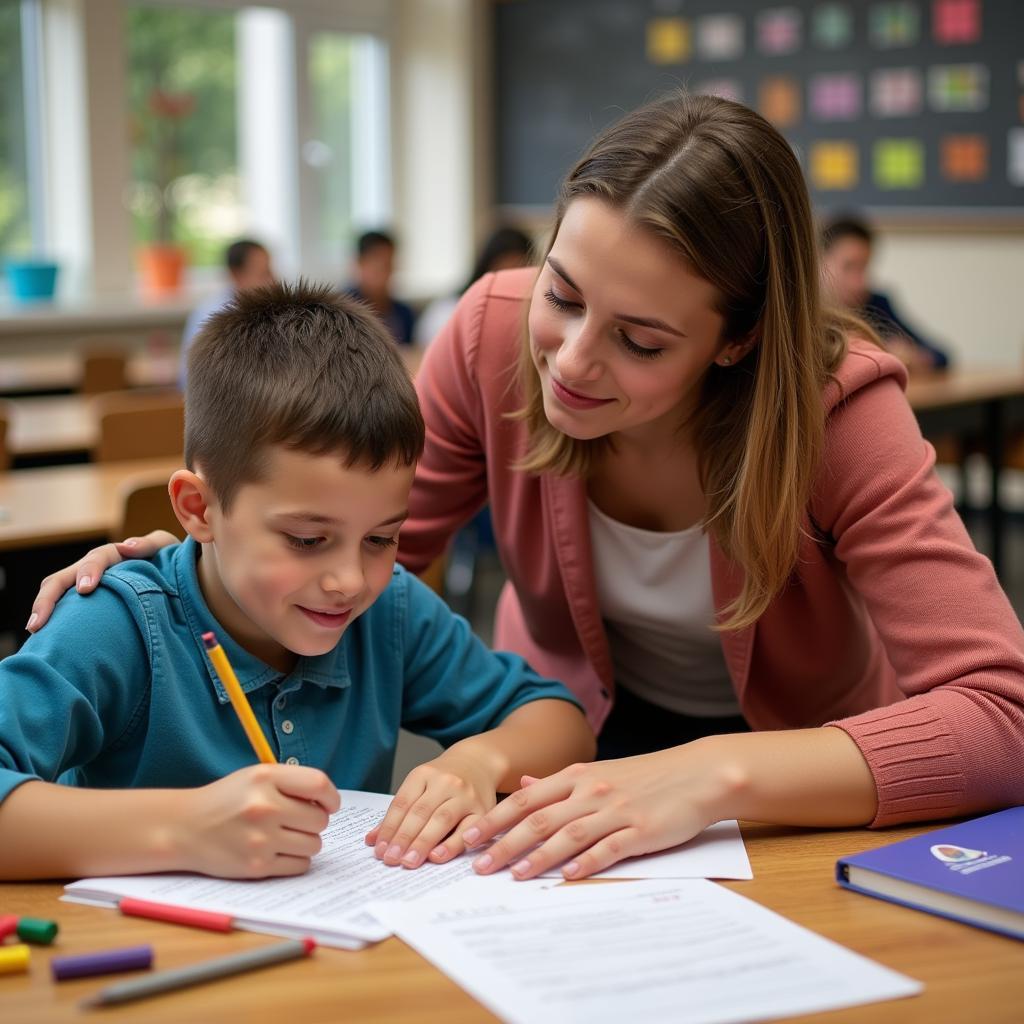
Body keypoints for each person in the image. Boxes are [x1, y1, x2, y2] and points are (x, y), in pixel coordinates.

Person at [26, 94, 1024, 883]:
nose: (571, 365)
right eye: (562, 293)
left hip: (791, 768)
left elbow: (1000, 714)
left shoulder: (836, 413)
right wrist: (182, 568)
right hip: (565, 758)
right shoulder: (493, 340)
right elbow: (363, 545)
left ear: (738, 339)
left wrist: (709, 774)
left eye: (638, 339)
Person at [0, 281, 593, 881]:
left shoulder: (388, 613)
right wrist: (184, 829)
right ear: (199, 509)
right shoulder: (117, 624)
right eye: (307, 541)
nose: (348, 581)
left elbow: (558, 719)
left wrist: (479, 761)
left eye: (381, 539)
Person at [820, 214, 950, 372]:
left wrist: (913, 357)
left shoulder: (876, 304)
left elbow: (941, 355)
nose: (858, 282)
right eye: (849, 266)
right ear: (820, 262)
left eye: (864, 267)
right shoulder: (805, 311)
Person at [179, 238, 276, 388]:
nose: (273, 281)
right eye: (264, 274)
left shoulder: (269, 310)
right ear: (236, 275)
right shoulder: (211, 316)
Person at [414, 226, 534, 347]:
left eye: (520, 274)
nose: (510, 286)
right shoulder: (447, 312)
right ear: (486, 269)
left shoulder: (531, 318)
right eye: (503, 274)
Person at [346, 230, 417, 346]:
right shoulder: (343, 310)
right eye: (376, 265)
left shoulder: (404, 313)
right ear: (360, 263)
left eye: (388, 264)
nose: (384, 273)